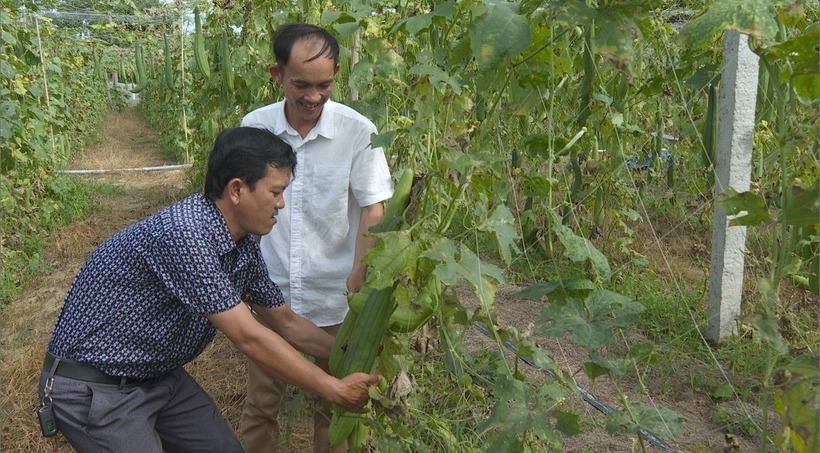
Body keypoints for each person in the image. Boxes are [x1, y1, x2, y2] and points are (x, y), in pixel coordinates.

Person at [37, 127, 380, 453]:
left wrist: (348, 352)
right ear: (236, 190)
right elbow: (249, 337)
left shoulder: (242, 244)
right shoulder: (186, 234)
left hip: (156, 375)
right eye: (275, 192)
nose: (281, 205)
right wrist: (333, 388)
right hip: (96, 387)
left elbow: (285, 321)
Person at [239, 23, 393, 453]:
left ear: (337, 73)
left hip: (335, 298)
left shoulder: (358, 131)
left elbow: (372, 207)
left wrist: (360, 272)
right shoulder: (254, 128)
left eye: (324, 84)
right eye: (300, 84)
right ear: (276, 74)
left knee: (335, 404)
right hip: (272, 292)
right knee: (262, 404)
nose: (313, 96)